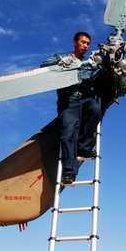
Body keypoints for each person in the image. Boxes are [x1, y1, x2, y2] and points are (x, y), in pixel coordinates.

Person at [40, 32, 101, 185]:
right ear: (75, 42)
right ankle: (69, 172)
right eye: (83, 42)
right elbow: (42, 67)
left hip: (85, 98)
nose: (86, 46)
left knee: (95, 108)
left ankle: (84, 146)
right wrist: (59, 64)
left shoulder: (89, 64)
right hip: (69, 101)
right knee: (67, 135)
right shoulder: (61, 57)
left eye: (88, 43)